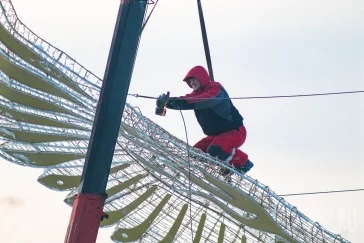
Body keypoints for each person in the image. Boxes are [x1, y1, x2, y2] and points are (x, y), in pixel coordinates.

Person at [156, 65, 254, 176]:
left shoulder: (215, 89)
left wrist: (174, 102)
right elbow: (186, 99)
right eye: (190, 81)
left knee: (215, 149)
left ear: (201, 77)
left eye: (194, 79)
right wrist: (168, 102)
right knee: (196, 153)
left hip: (235, 131)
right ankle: (226, 165)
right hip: (216, 136)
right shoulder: (195, 94)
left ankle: (243, 163)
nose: (192, 83)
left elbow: (205, 100)